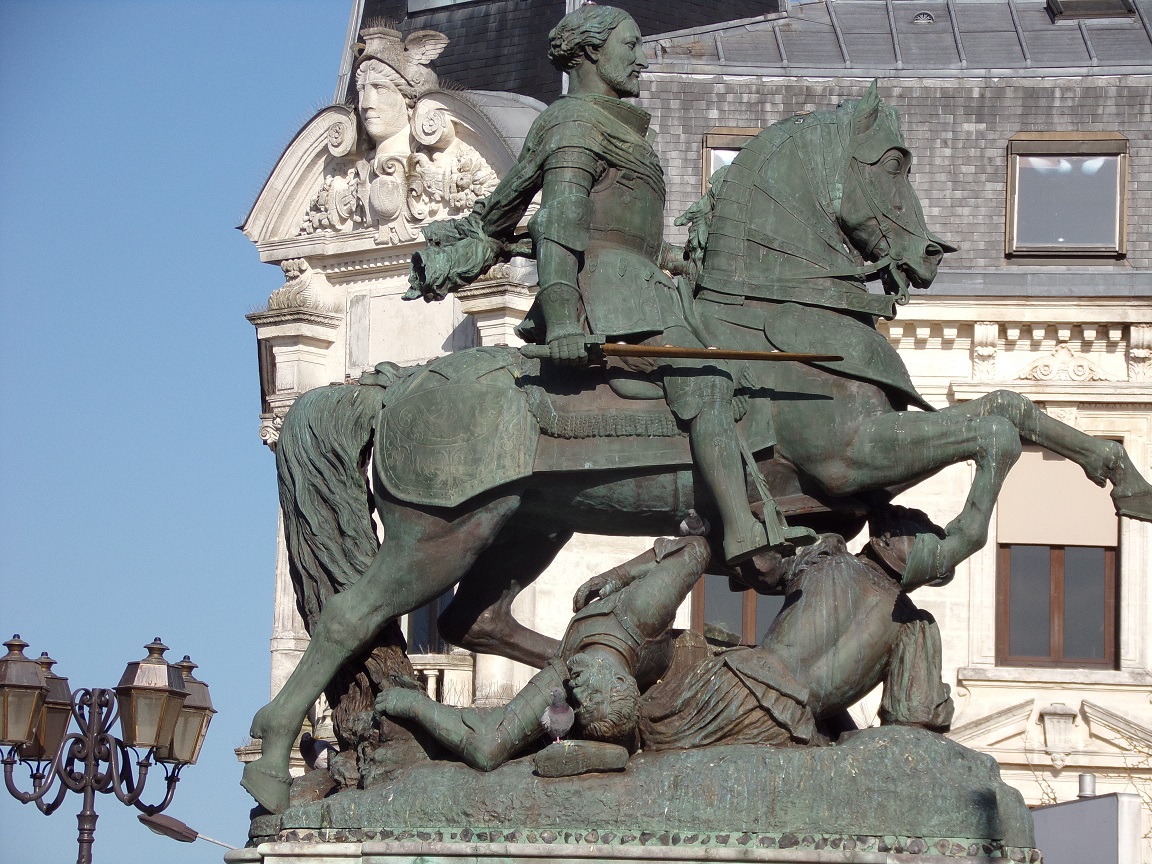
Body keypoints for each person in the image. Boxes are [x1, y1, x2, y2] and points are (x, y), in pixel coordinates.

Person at [407, 4, 812, 565]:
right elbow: (561, 223)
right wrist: (567, 319)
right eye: (631, 44)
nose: (642, 57)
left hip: (642, 287)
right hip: (610, 302)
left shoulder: (613, 127)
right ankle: (742, 531)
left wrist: (679, 260)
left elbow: (620, 231)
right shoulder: (575, 124)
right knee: (706, 378)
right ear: (592, 52)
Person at [376, 505, 955, 770]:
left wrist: (619, 573)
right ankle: (604, 733)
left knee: (650, 656)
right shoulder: (915, 626)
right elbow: (913, 718)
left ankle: (603, 726)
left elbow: (733, 559)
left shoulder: (829, 562)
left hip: (724, 699)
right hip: (778, 719)